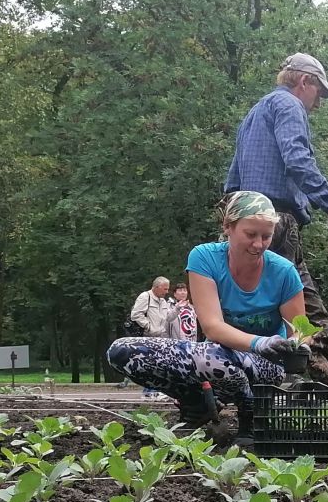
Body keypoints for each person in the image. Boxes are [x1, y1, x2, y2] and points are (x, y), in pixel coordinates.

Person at [107, 191, 307, 446]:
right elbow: (212, 327)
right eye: (250, 234)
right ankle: (196, 403)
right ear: (228, 228)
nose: (259, 244)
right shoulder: (204, 258)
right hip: (217, 357)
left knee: (214, 357)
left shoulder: (284, 272)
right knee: (123, 352)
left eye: (266, 237)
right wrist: (259, 341)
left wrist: (296, 346)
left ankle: (251, 411)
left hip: (264, 365)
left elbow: (300, 330)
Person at [224, 52, 328, 387]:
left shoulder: (255, 113)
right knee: (305, 308)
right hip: (278, 222)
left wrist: (234, 220)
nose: (319, 103)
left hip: (244, 221)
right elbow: (298, 159)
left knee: (254, 302)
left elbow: (233, 176)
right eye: (320, 93)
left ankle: (261, 383)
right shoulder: (289, 106)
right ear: (305, 81)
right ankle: (314, 383)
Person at [129, 277, 175, 397]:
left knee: (157, 365)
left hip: (159, 337)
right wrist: (148, 326)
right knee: (149, 365)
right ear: (156, 287)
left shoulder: (163, 301)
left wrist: (178, 308)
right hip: (147, 337)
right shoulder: (145, 297)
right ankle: (149, 391)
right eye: (165, 289)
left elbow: (168, 318)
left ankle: (153, 391)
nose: (166, 292)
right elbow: (135, 315)